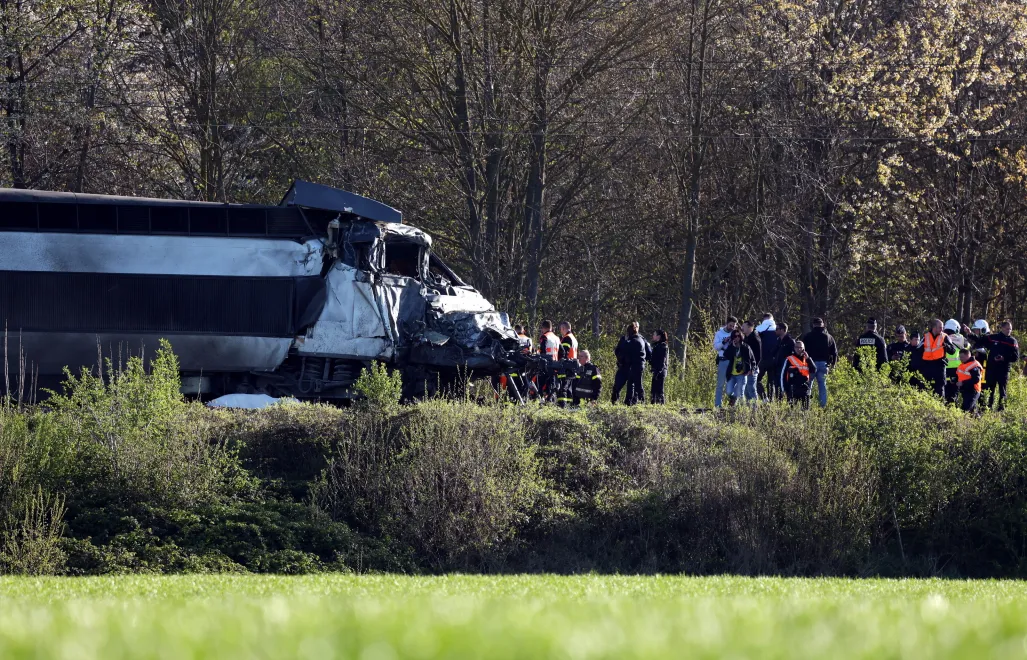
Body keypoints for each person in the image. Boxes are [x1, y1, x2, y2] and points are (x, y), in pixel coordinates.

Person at [977, 320, 1019, 411]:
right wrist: (969, 334)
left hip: (1003, 370)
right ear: (1002, 328)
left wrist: (1004, 358)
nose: (1009, 331)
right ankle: (987, 407)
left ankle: (1001, 409)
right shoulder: (993, 337)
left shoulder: (1012, 341)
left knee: (1002, 390)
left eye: (1010, 329)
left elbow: (1015, 358)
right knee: (990, 389)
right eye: (1007, 329)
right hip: (992, 368)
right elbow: (980, 340)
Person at [801, 317, 837, 407]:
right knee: (822, 386)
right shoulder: (828, 337)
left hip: (810, 364)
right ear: (822, 325)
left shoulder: (808, 336)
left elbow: (802, 350)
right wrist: (833, 364)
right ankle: (823, 406)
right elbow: (834, 352)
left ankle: (806, 405)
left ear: (813, 325)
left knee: (808, 385)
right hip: (824, 365)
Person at [921, 319, 955, 399]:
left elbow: (952, 351)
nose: (942, 329)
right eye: (940, 327)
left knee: (940, 386)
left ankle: (940, 404)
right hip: (927, 365)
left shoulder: (945, 337)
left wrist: (947, 346)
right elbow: (918, 350)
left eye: (942, 327)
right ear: (934, 327)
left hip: (940, 365)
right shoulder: (926, 337)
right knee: (924, 385)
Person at [781, 341, 819, 409]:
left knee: (805, 410)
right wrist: (783, 389)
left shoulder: (807, 359)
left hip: (804, 388)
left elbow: (814, 370)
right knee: (792, 410)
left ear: (803, 349)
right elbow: (783, 375)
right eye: (797, 347)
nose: (798, 349)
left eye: (800, 347)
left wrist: (808, 359)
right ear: (794, 348)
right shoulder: (789, 359)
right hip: (792, 388)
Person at [722, 329, 755, 406]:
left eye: (738, 336)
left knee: (740, 393)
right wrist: (733, 347)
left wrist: (752, 369)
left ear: (741, 337)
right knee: (729, 392)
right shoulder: (731, 347)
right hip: (732, 374)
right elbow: (726, 355)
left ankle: (741, 409)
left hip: (742, 374)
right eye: (735, 336)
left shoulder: (745, 347)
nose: (737, 338)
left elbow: (752, 359)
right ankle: (733, 399)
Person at [713, 316, 738, 408]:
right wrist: (724, 342)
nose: (732, 327)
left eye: (733, 326)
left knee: (733, 383)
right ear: (727, 324)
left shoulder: (735, 333)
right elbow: (716, 347)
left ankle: (732, 403)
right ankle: (718, 405)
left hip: (733, 361)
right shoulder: (719, 333)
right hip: (723, 360)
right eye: (730, 325)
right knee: (720, 384)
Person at [622, 322, 648, 405]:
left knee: (637, 384)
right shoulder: (640, 339)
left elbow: (625, 349)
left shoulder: (634, 341)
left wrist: (626, 341)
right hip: (638, 364)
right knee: (631, 383)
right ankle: (630, 401)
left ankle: (641, 401)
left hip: (636, 365)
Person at [943, 319, 968, 404]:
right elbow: (968, 348)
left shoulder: (942, 337)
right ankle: (953, 407)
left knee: (945, 390)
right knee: (954, 391)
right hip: (957, 369)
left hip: (944, 367)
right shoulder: (962, 338)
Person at [555, 322, 579, 407]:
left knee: (563, 388)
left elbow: (564, 352)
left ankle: (562, 406)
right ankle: (569, 406)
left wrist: (559, 363)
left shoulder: (567, 338)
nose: (560, 331)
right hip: (572, 366)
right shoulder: (573, 338)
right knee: (569, 389)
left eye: (561, 329)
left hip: (566, 367)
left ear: (563, 328)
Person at [755, 314, 779, 399]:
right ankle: (770, 400)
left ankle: (764, 398)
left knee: (756, 380)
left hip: (763, 359)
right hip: (774, 359)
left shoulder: (759, 329)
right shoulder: (777, 329)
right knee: (771, 382)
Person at [538, 320, 561, 402]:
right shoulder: (557, 338)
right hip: (555, 364)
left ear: (543, 328)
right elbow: (562, 352)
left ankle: (540, 400)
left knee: (541, 384)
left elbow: (542, 351)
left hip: (545, 364)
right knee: (551, 384)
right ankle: (550, 400)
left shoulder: (544, 337)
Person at [955, 348, 984, 414]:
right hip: (965, 390)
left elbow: (976, 379)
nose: (960, 359)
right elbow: (961, 376)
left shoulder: (974, 365)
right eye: (960, 357)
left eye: (962, 357)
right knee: (972, 411)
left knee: (965, 410)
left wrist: (962, 383)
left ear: (968, 355)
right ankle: (978, 419)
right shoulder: (962, 365)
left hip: (973, 390)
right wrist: (955, 380)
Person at [772, 322, 795, 400]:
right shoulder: (778, 340)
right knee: (777, 386)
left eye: (777, 329)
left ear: (782, 330)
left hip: (786, 368)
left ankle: (788, 401)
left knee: (785, 386)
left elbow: (793, 355)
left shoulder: (790, 341)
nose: (775, 331)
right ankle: (778, 402)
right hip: (777, 367)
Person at [742, 321, 762, 404]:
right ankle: (749, 408)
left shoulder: (755, 338)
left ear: (750, 327)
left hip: (752, 369)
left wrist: (753, 368)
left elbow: (758, 356)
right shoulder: (746, 338)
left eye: (744, 326)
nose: (742, 328)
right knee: (746, 391)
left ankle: (754, 408)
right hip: (746, 368)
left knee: (751, 389)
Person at [650, 329, 669, 404]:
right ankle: (653, 404)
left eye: (654, 334)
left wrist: (658, 371)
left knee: (659, 390)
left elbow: (662, 360)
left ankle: (660, 405)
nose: (653, 336)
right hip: (657, 370)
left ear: (659, 336)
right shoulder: (657, 345)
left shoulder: (663, 346)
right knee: (654, 389)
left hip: (660, 370)